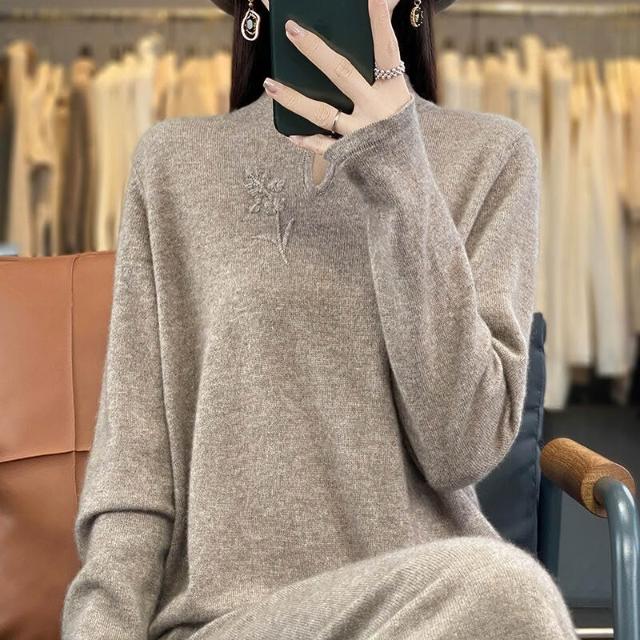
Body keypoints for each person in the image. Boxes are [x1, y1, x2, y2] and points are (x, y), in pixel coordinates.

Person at [61, 0, 579, 638]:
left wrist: (397, 165)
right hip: (235, 622)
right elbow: (134, 473)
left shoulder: (492, 156)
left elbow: (461, 447)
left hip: (424, 616)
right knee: (508, 592)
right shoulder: (175, 163)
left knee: (508, 594)